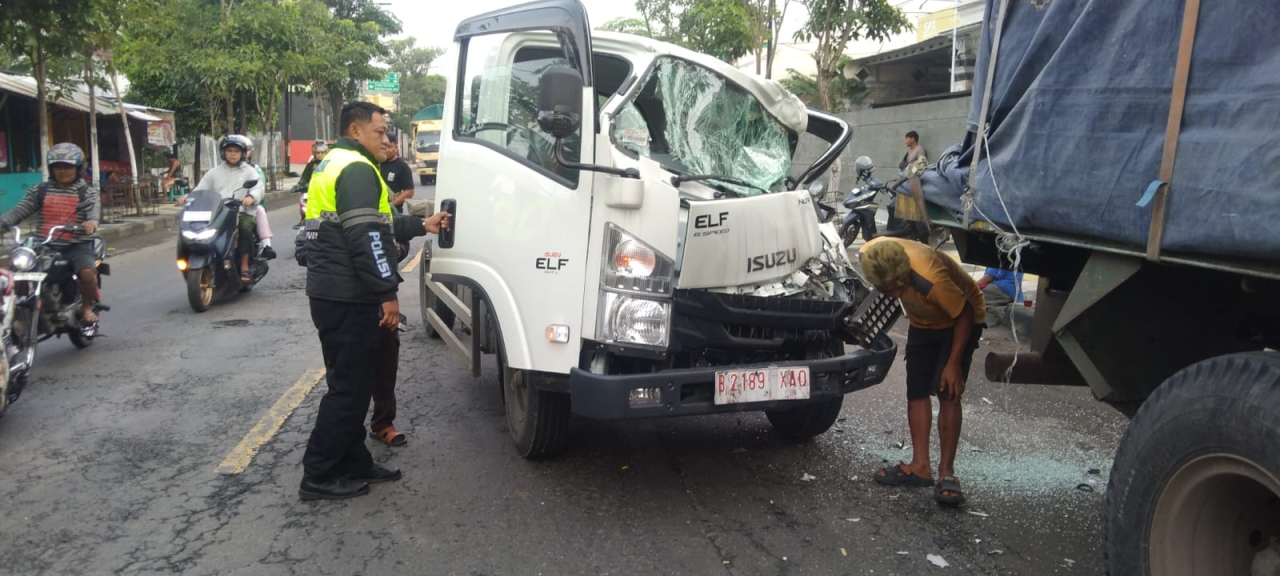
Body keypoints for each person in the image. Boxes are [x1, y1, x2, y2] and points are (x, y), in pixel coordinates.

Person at [299, 101, 449, 500]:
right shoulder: (357, 170)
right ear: (356, 131)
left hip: (331, 291)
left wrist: (421, 223)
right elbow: (367, 238)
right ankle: (318, 473)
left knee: (354, 383)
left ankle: (354, 461)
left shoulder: (333, 164)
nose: (387, 138)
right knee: (348, 389)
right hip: (348, 295)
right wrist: (388, 295)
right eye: (380, 131)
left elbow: (374, 221)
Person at [860, 236, 985, 507]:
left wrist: (953, 364)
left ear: (906, 273)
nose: (895, 295)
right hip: (923, 322)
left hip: (959, 321)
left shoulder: (929, 276)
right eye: (888, 290)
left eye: (899, 288)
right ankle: (920, 467)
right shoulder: (869, 254)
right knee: (916, 390)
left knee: (947, 391)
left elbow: (964, 312)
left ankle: (946, 474)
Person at [0, 143, 102, 323]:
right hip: (43, 243)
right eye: (58, 167)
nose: (62, 171)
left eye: (67, 167)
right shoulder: (41, 190)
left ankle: (86, 307)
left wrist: (92, 222)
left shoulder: (86, 192)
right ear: (51, 169)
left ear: (78, 168)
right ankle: (20, 312)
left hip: (76, 244)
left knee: (87, 273)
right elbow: (19, 211)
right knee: (17, 272)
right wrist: (3, 223)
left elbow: (94, 212)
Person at [184, 135, 276, 282]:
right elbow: (201, 188)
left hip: (241, 212)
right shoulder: (213, 173)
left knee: (245, 230)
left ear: (243, 153)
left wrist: (251, 197)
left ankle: (244, 266)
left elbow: (259, 188)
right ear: (223, 152)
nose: (233, 154)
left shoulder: (249, 172)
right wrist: (188, 197)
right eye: (229, 150)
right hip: (218, 213)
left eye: (236, 151)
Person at [379, 128, 415, 213]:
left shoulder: (403, 167)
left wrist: (391, 205)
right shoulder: (376, 163)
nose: (386, 150)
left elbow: (409, 191)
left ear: (396, 147)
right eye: (384, 147)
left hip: (394, 212)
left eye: (389, 147)